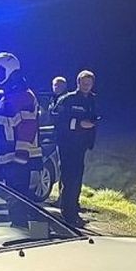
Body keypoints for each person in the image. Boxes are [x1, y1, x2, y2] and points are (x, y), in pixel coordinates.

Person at [0, 53, 42, 204]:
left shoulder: (23, 96)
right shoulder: (9, 97)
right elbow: (4, 134)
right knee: (16, 209)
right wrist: (0, 162)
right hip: (13, 162)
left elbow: (27, 130)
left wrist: (18, 161)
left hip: (22, 164)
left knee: (22, 210)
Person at [52, 70, 100, 226]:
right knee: (69, 179)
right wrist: (78, 124)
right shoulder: (67, 100)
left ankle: (74, 209)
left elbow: (94, 117)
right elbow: (56, 119)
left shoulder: (92, 100)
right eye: (84, 83)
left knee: (77, 178)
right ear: (78, 83)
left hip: (81, 146)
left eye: (89, 83)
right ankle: (68, 215)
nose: (86, 86)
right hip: (67, 145)